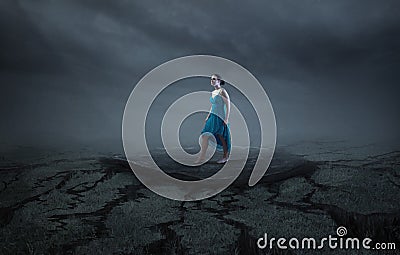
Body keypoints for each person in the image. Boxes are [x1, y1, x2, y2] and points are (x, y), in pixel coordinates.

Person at [195, 74, 231, 164]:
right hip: (213, 116)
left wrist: (226, 118)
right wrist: (208, 115)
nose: (212, 81)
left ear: (219, 81)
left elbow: (228, 105)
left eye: (214, 79)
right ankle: (202, 157)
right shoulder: (213, 92)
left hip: (220, 116)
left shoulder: (222, 91)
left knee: (221, 136)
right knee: (205, 135)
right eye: (211, 79)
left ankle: (225, 157)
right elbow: (213, 105)